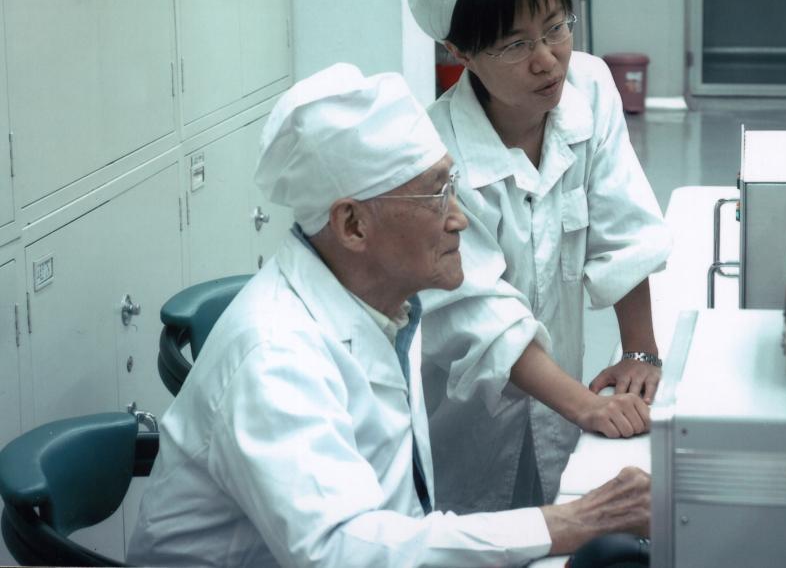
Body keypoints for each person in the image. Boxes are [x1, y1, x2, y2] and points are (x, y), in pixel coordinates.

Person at [127, 63, 650, 568]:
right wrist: (567, 522)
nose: (459, 218)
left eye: (453, 184)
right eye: (436, 195)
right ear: (353, 225)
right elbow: (341, 552)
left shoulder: (387, 301)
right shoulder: (276, 358)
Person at [407, 0, 673, 515]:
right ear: (461, 53)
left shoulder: (590, 87)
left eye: (556, 28)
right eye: (514, 45)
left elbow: (623, 226)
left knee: (563, 512)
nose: (547, 60)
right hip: (470, 415)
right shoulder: (436, 153)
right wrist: (588, 405)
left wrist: (641, 353)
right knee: (486, 530)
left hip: (562, 392)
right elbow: (480, 316)